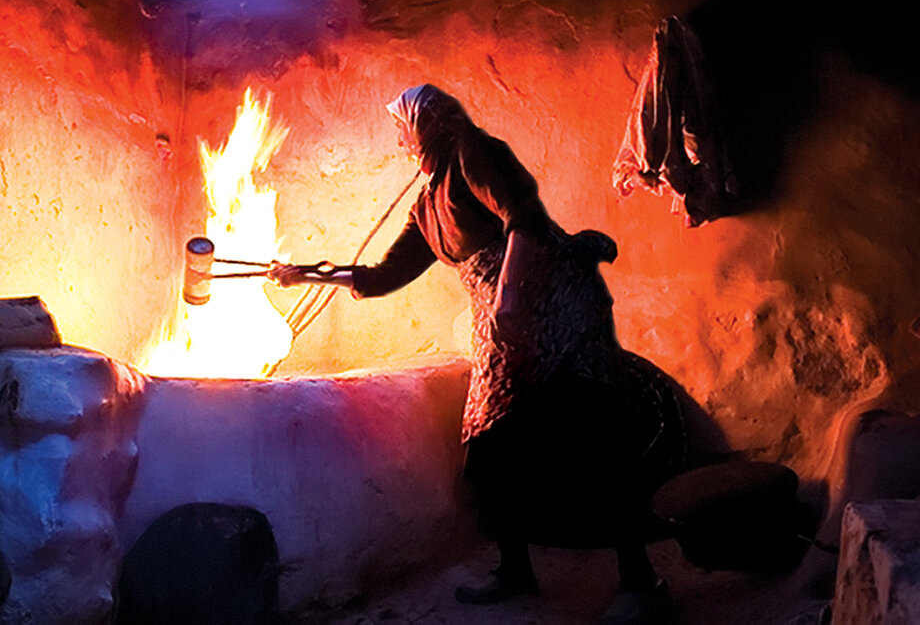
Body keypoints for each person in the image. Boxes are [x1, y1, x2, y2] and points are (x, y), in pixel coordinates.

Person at [268, 84, 686, 624]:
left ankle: (639, 581)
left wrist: (511, 294)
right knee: (489, 450)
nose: (399, 140)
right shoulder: (427, 204)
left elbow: (525, 218)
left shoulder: (472, 152)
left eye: (402, 127)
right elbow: (383, 276)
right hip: (500, 319)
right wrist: (307, 273)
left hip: (549, 301)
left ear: (426, 124)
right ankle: (516, 569)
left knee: (589, 435)